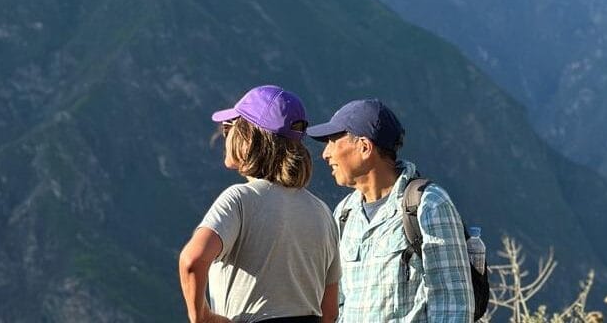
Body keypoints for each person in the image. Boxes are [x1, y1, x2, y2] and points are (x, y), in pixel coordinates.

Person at [179, 85, 341, 323]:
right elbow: (330, 311)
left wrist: (203, 317)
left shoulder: (240, 200)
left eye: (228, 128)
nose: (224, 135)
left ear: (248, 137)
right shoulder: (322, 212)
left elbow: (192, 261)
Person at [306, 99, 474, 323]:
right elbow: (338, 304)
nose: (326, 153)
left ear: (365, 147)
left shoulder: (429, 205)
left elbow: (453, 307)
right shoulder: (345, 214)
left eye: (333, 141)